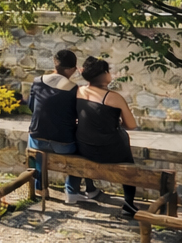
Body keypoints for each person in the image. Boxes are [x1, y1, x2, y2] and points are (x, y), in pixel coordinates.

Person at [27, 49, 99, 203]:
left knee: (36, 147)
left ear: (55, 64)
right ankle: (72, 190)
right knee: (82, 149)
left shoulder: (37, 81)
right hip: (63, 143)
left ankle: (40, 187)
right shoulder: (73, 89)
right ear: (72, 69)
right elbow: (78, 115)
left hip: (37, 138)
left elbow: (31, 107)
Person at [75, 56, 139, 219]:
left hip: (85, 148)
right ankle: (129, 203)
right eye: (108, 71)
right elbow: (131, 125)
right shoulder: (113, 97)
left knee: (87, 135)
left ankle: (90, 188)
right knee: (124, 140)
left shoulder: (79, 91)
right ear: (104, 74)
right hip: (109, 151)